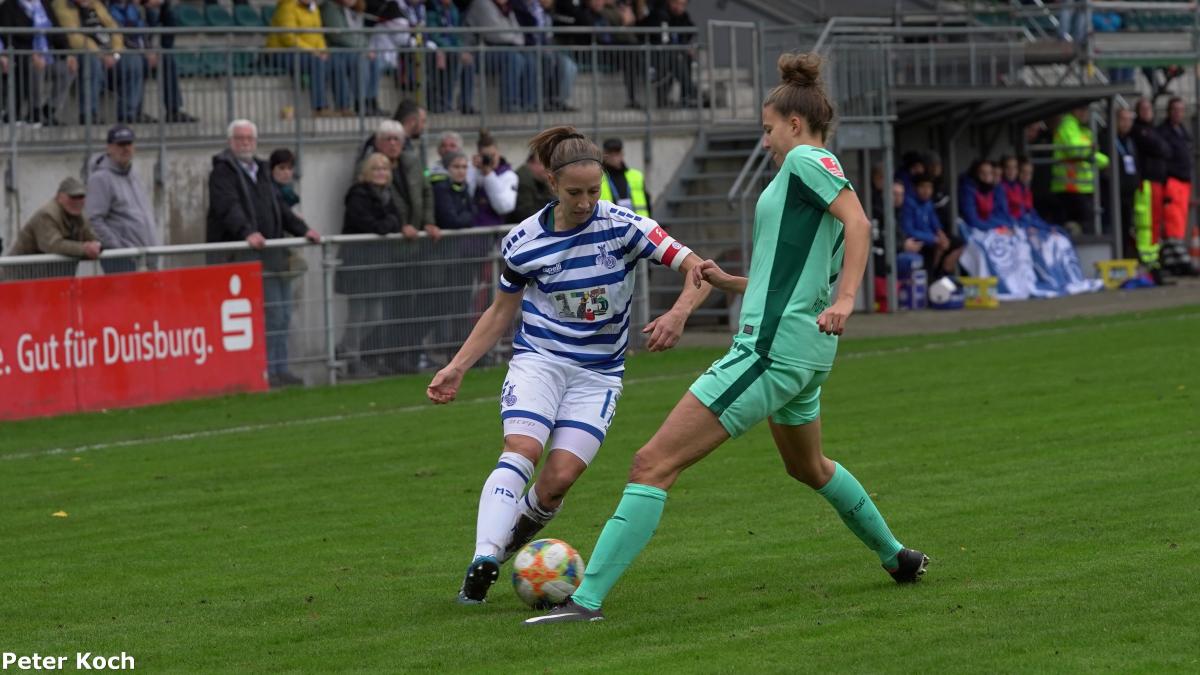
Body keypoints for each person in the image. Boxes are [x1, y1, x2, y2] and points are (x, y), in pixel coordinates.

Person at [526, 53, 927, 625]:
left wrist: (847, 300)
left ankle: (584, 601)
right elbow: (796, 271)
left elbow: (860, 224)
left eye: (767, 129)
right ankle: (897, 556)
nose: (765, 142)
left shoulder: (809, 158)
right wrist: (732, 281)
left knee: (650, 464)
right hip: (805, 352)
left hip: (771, 349)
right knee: (808, 467)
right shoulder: (805, 177)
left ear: (793, 124)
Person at [427, 125, 709, 605]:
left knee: (557, 482)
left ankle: (501, 553)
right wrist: (458, 366)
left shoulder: (625, 226)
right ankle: (483, 558)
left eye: (593, 191)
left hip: (598, 374)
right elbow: (501, 311)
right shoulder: (523, 242)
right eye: (574, 192)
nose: (585, 201)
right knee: (521, 449)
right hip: (540, 361)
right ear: (552, 184)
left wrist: (679, 313)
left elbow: (698, 270)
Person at [206, 119, 321, 387]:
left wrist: (303, 229)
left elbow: (279, 207)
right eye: (239, 138)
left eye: (249, 138)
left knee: (282, 313)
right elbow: (228, 207)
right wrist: (247, 232)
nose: (245, 143)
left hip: (273, 255)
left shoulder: (262, 170)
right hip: (246, 257)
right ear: (230, 142)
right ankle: (267, 369)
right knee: (270, 314)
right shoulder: (223, 172)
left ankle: (280, 367)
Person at [336, 152, 405, 378]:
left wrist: (389, 223)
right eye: (376, 169)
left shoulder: (388, 195)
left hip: (378, 263)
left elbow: (396, 220)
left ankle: (345, 350)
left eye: (384, 169)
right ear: (367, 172)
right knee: (358, 314)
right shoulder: (358, 194)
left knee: (375, 315)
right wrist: (388, 224)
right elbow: (371, 224)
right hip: (359, 262)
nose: (380, 173)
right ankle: (350, 357)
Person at [84, 124, 160, 273]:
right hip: (123, 260)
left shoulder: (134, 175)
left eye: (129, 143)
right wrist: (119, 249)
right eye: (120, 144)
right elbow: (94, 220)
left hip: (145, 257)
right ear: (109, 148)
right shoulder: (101, 178)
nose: (125, 148)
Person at [5, 177, 101, 278]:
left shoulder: (79, 217)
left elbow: (91, 238)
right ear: (60, 197)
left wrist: (97, 246)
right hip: (19, 279)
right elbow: (53, 245)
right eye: (73, 197)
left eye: (81, 197)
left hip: (50, 280)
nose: (77, 201)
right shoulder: (47, 215)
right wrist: (84, 249)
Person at [0, 0, 77, 127]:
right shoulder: (9, 6)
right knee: (36, 66)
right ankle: (34, 111)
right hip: (23, 57)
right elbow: (7, 37)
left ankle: (49, 110)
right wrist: (31, 53)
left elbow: (57, 31)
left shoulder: (44, 5)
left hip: (48, 57)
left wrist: (69, 53)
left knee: (67, 69)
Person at [52, 0, 128, 124]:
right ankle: (89, 113)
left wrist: (116, 53)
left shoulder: (95, 4)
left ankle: (129, 114)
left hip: (108, 53)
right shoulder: (62, 4)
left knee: (132, 61)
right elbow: (74, 37)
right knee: (92, 62)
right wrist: (100, 54)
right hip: (83, 52)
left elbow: (114, 28)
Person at [268, 0, 332, 117]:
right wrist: (313, 52)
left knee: (337, 62)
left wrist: (323, 51)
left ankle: (345, 107)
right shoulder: (287, 6)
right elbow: (288, 38)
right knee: (316, 62)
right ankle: (319, 107)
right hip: (282, 52)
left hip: (309, 53)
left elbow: (319, 35)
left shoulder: (313, 8)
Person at [1050, 106, 1109, 230]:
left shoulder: (1082, 128)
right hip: (1069, 186)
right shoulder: (1068, 124)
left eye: (1086, 110)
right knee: (1083, 225)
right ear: (1074, 110)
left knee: (1087, 224)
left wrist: (1104, 161)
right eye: (1081, 109)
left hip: (1083, 186)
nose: (1085, 113)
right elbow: (1076, 150)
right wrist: (1091, 149)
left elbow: (1090, 152)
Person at [1131, 98, 1170, 271]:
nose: (1147, 112)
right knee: (1146, 222)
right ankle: (1146, 257)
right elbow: (1159, 148)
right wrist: (1160, 147)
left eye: (1149, 109)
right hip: (1146, 183)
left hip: (1157, 182)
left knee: (1156, 221)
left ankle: (1153, 258)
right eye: (1143, 109)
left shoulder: (1154, 130)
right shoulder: (1139, 130)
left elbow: (1166, 150)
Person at [1159, 97, 1194, 275]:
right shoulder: (1164, 132)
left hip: (1184, 182)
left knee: (1180, 222)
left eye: (1181, 110)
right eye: (1175, 110)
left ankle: (1175, 262)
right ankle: (1178, 261)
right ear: (1169, 111)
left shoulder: (1182, 130)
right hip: (1172, 182)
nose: (1178, 113)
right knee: (1173, 222)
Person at [901, 175, 961, 279]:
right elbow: (909, 230)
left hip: (932, 238)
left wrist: (941, 236)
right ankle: (931, 279)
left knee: (958, 243)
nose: (926, 191)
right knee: (931, 249)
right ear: (915, 188)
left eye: (929, 187)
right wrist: (934, 239)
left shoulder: (928, 203)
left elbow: (935, 224)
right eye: (923, 187)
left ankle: (943, 274)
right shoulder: (908, 203)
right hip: (917, 240)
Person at [468, 129, 518, 226]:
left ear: (498, 153)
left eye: (492, 155)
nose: (490, 159)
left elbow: (504, 207)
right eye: (485, 156)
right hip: (470, 232)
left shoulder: (508, 175)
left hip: (493, 232)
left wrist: (489, 175)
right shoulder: (472, 170)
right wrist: (471, 170)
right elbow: (465, 198)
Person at [598, 137, 650, 217]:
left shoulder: (636, 175)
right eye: (610, 153)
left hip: (638, 224)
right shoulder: (598, 177)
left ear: (622, 153)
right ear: (604, 155)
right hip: (610, 225)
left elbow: (647, 202)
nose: (614, 156)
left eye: (617, 152)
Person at [512, 151, 554, 222]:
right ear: (531, 163)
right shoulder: (524, 180)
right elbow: (526, 212)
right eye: (543, 164)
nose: (547, 168)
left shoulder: (539, 179)